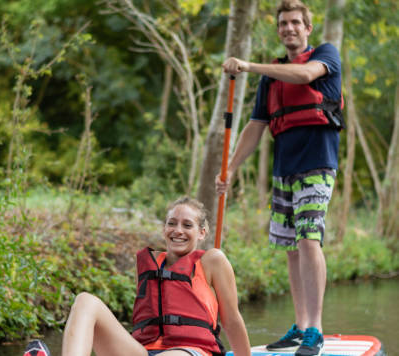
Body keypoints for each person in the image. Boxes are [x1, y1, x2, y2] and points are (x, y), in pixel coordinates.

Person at [216, 1, 343, 356]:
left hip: (317, 164)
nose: (289, 28)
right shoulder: (271, 77)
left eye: (295, 23)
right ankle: (301, 326)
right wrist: (230, 168)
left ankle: (315, 329)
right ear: (279, 30)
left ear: (307, 28)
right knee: (289, 246)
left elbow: (304, 76)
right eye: (283, 23)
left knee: (308, 239)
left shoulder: (326, 55)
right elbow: (255, 128)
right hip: (283, 169)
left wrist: (247, 66)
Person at [25, 197, 251, 356]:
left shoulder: (212, 260)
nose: (178, 230)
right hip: (143, 351)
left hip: (191, 351)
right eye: (171, 223)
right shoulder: (148, 265)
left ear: (202, 233)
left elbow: (231, 321)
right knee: (85, 300)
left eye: (187, 225)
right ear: (164, 229)